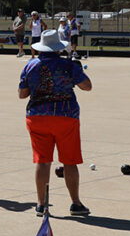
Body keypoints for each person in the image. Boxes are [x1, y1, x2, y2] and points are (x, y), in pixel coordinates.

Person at [18, 30, 92, 217]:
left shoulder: (30, 65)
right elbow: (87, 86)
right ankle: (75, 203)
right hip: (66, 116)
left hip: (37, 116)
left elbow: (22, 94)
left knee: (42, 161)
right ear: (58, 48)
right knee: (69, 161)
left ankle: (41, 204)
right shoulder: (69, 65)